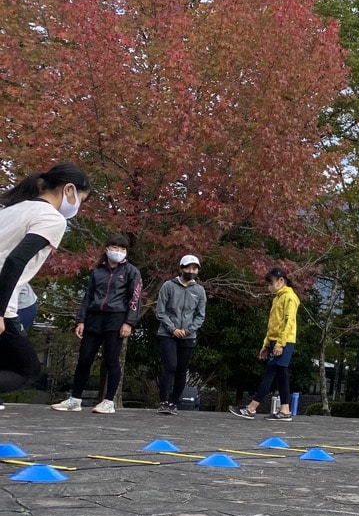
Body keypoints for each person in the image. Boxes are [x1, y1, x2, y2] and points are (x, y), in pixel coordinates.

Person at [0, 163, 91, 400]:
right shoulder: (51, 218)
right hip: (3, 299)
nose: (78, 206)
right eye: (81, 198)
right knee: (26, 369)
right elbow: (14, 261)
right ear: (69, 190)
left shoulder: (12, 209)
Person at [52, 234, 143, 414]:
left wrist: (129, 322)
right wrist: (81, 320)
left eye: (122, 249)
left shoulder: (132, 271)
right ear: (107, 248)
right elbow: (88, 296)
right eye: (115, 248)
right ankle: (75, 399)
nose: (118, 252)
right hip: (94, 318)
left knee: (111, 360)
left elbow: (135, 298)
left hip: (116, 318)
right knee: (84, 359)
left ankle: (109, 401)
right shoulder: (97, 272)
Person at [228, 268, 300, 421]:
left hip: (285, 341)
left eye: (271, 283)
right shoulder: (277, 298)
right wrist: (266, 344)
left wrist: (280, 344)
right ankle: (285, 410)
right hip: (275, 340)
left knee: (270, 372)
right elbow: (272, 324)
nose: (269, 287)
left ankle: (252, 408)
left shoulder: (290, 298)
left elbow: (288, 323)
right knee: (281, 375)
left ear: (281, 281)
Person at [154, 255, 207, 415]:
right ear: (181, 268)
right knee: (170, 365)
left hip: (188, 335)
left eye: (194, 268)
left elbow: (200, 315)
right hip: (167, 333)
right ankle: (163, 400)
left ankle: (173, 402)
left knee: (182, 369)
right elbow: (160, 312)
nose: (191, 271)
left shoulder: (199, 290)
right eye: (188, 268)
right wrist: (172, 328)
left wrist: (188, 330)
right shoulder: (168, 286)